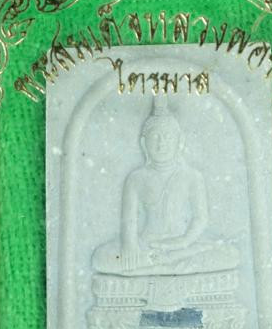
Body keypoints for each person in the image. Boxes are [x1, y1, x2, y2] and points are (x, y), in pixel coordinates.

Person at [92, 97, 239, 276]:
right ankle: (166, 264)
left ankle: (159, 264)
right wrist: (130, 247)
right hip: (147, 244)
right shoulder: (136, 178)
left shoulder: (192, 177)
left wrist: (183, 242)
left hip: (185, 245)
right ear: (144, 143)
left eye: (168, 137)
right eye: (155, 137)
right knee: (100, 258)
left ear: (180, 142)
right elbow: (129, 222)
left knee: (230, 255)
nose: (161, 143)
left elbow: (200, 219)